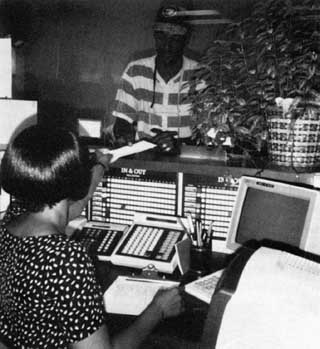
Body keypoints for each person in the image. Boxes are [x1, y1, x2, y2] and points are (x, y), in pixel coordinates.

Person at [0, 125, 183, 349]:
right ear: (77, 182)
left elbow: (67, 209)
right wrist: (158, 310)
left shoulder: (10, 223)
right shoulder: (65, 259)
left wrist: (99, 168)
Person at [107, 2, 204, 152]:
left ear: (186, 40)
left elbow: (209, 131)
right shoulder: (136, 70)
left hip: (188, 160)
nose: (167, 45)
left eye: (175, 39)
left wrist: (176, 145)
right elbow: (122, 120)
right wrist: (125, 135)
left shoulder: (200, 74)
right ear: (154, 37)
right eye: (161, 37)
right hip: (145, 156)